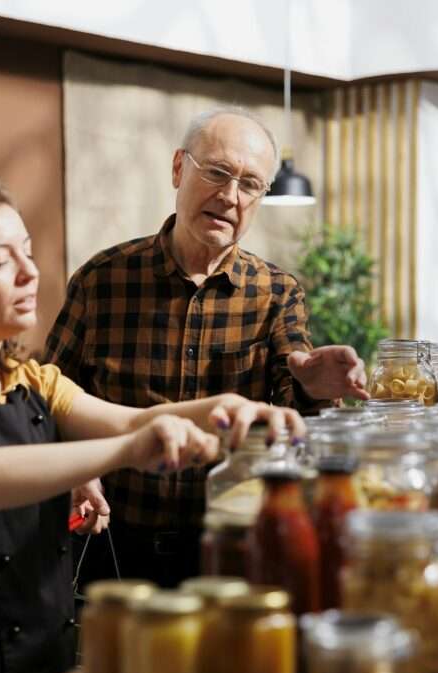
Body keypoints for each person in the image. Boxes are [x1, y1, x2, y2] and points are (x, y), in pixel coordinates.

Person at [0, 169, 302, 673]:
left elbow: (137, 419)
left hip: (39, 666)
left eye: (27, 251)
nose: (28, 273)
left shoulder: (29, 379)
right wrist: (126, 451)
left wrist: (234, 409)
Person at [44, 107, 368, 587]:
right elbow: (46, 398)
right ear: (179, 168)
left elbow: (296, 403)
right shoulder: (101, 280)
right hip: (113, 536)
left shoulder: (277, 292)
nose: (230, 197)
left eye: (250, 184)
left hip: (230, 540)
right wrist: (74, 469)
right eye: (217, 173)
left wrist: (312, 386)